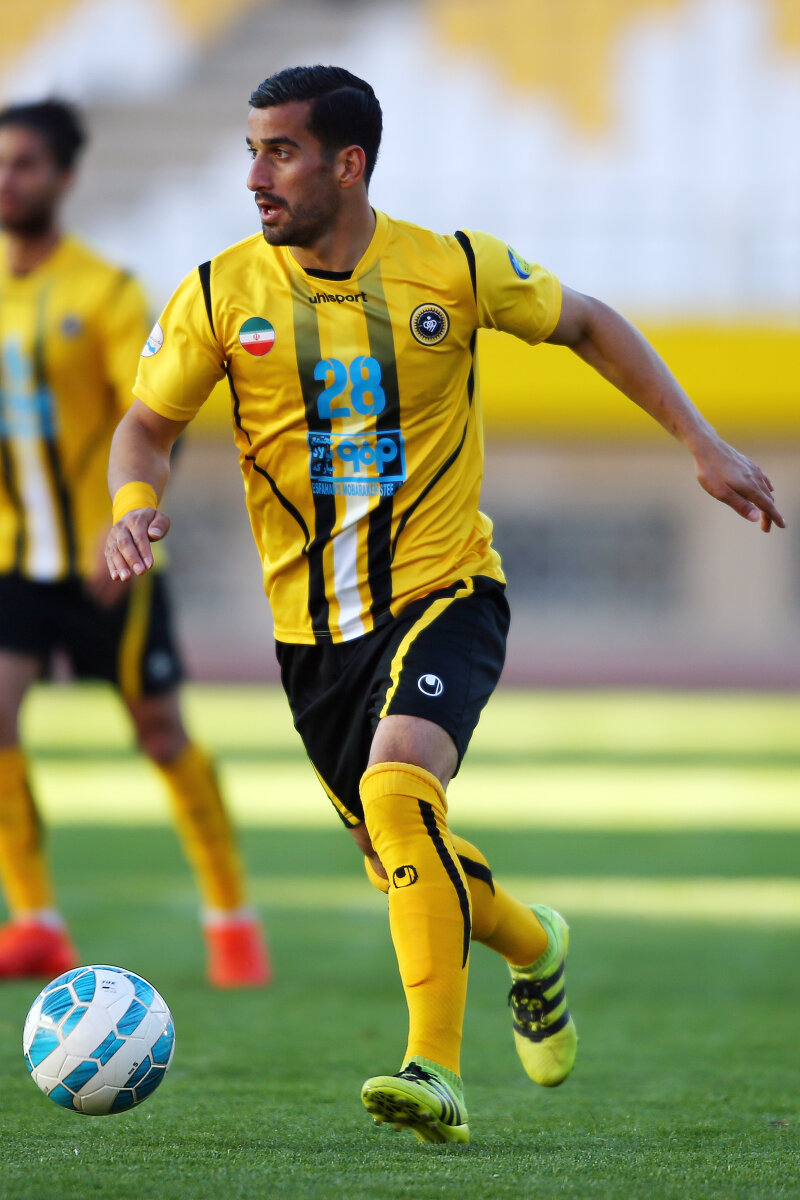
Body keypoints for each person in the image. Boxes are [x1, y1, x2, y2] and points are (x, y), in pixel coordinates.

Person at [105, 66, 783, 1143]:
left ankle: (434, 1069)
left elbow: (588, 322)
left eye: (280, 152)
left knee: (398, 786)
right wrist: (134, 506)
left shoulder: (453, 269)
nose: (256, 177)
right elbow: (146, 426)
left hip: (445, 588)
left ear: (348, 164)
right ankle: (535, 945)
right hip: (312, 636)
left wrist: (700, 442)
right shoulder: (218, 293)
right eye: (250, 151)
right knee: (405, 857)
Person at [0, 99, 270, 988]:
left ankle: (231, 918)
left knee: (159, 733)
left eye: (25, 164)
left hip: (103, 559)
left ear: (64, 179)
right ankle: (36, 921)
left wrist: (130, 524)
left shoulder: (106, 293)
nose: (7, 179)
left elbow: (154, 421)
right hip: (12, 560)